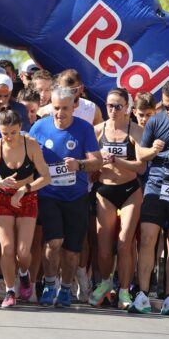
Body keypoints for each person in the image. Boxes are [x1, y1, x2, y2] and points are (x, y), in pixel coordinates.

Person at [30, 86, 101, 307]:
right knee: (54, 241)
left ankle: (66, 289)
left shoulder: (84, 129)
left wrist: (79, 164)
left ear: (74, 107)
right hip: (48, 194)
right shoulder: (39, 127)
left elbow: (97, 161)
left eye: (65, 109)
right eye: (56, 108)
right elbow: (25, 157)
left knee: (72, 250)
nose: (60, 113)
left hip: (76, 196)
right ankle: (50, 284)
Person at [130, 79, 169, 315]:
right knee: (147, 238)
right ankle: (143, 295)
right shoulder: (156, 120)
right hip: (156, 184)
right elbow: (141, 155)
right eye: (166, 106)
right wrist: (153, 150)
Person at [0, 110, 51, 308]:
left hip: (27, 198)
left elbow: (46, 177)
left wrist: (24, 188)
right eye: (5, 133)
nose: (10, 137)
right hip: (2, 198)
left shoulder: (31, 145)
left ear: (20, 127)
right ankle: (10, 290)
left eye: (13, 132)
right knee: (7, 248)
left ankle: (23, 273)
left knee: (23, 252)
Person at [89, 88, 145, 309]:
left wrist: (115, 161)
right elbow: (90, 163)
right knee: (103, 248)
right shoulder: (97, 130)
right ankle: (105, 284)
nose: (113, 110)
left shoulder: (136, 131)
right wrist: (95, 164)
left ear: (127, 108)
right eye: (110, 106)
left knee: (124, 244)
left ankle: (123, 290)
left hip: (130, 190)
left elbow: (141, 167)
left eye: (118, 106)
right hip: (105, 191)